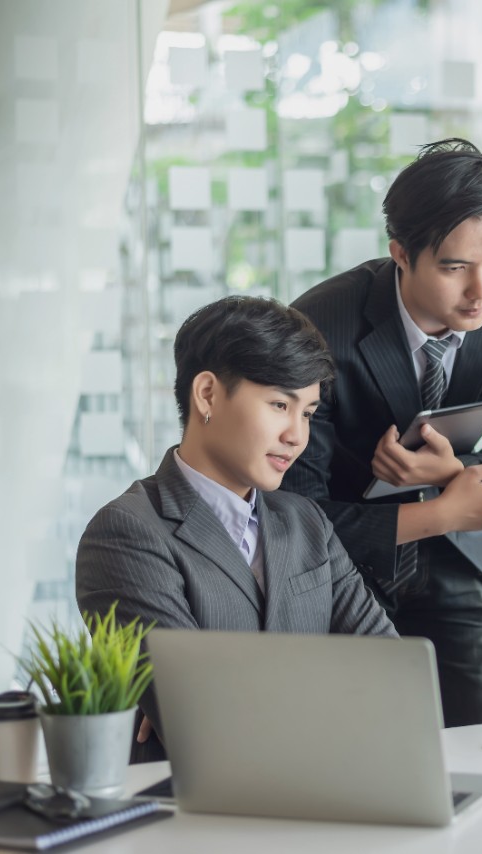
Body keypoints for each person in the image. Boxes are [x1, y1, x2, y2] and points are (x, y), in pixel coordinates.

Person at [284, 138, 482, 726]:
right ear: (401, 254)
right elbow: (295, 509)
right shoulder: (319, 327)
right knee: (360, 755)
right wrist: (441, 510)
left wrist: (457, 473)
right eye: (456, 267)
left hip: (462, 563)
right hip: (344, 568)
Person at [76, 296, 397, 763]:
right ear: (207, 394)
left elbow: (390, 678)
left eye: (306, 413)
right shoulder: (125, 533)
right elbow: (204, 723)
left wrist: (234, 693)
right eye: (279, 405)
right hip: (190, 818)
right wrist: (325, 679)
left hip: (320, 796)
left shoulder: (305, 520)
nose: (297, 435)